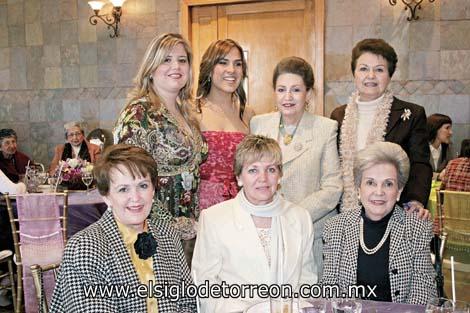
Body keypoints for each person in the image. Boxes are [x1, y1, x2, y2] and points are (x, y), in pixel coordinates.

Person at [49, 144, 196, 312]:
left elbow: (187, 302)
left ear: (153, 190)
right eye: (123, 189)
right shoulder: (84, 248)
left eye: (143, 186)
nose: (135, 198)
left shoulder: (166, 233)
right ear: (106, 197)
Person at [192, 135, 317, 312]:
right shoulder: (213, 218)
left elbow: (307, 281)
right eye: (253, 170)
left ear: (280, 176)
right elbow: (205, 285)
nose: (263, 178)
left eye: (271, 170)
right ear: (239, 177)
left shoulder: (300, 217)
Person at [250, 56, 342, 277]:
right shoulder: (259, 124)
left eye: (296, 90)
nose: (287, 97)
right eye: (281, 90)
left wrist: (293, 216)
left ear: (308, 93)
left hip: (308, 232)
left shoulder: (325, 128)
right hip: (266, 232)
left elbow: (332, 188)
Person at [114, 33, 207, 244]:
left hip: (191, 233)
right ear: (151, 68)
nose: (176, 66)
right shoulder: (138, 114)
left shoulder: (187, 113)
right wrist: (168, 227)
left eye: (182, 60)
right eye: (166, 59)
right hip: (154, 233)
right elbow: (129, 184)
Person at [321, 142, 436, 304]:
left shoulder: (416, 227)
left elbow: (423, 292)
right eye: (370, 183)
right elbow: (329, 289)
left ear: (399, 191)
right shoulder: (335, 227)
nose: (379, 191)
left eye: (388, 184)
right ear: (358, 189)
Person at [330, 38, 432, 217]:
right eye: (363, 69)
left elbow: (420, 164)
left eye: (379, 70)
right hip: (344, 213)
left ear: (389, 75)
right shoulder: (338, 116)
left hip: (393, 213)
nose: (370, 76)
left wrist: (415, 200)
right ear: (354, 73)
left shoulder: (411, 114)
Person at [196, 39, 254, 210]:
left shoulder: (249, 114)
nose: (232, 70)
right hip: (202, 208)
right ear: (209, 68)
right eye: (223, 62)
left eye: (237, 64)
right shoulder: (190, 112)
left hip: (240, 205)